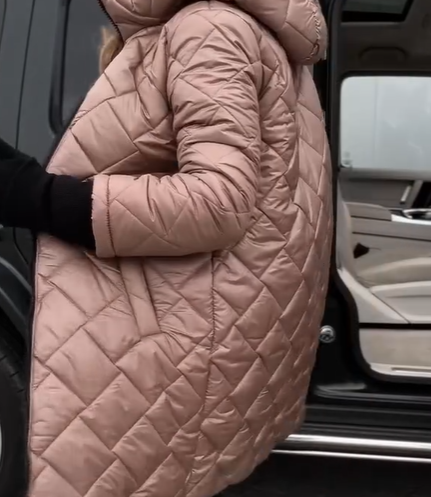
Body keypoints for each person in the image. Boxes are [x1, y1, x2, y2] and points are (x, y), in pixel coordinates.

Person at [2, 1, 332, 496]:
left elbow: (217, 203)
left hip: (173, 328)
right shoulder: (251, 32)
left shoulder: (210, 28)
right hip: (210, 325)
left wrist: (37, 194)